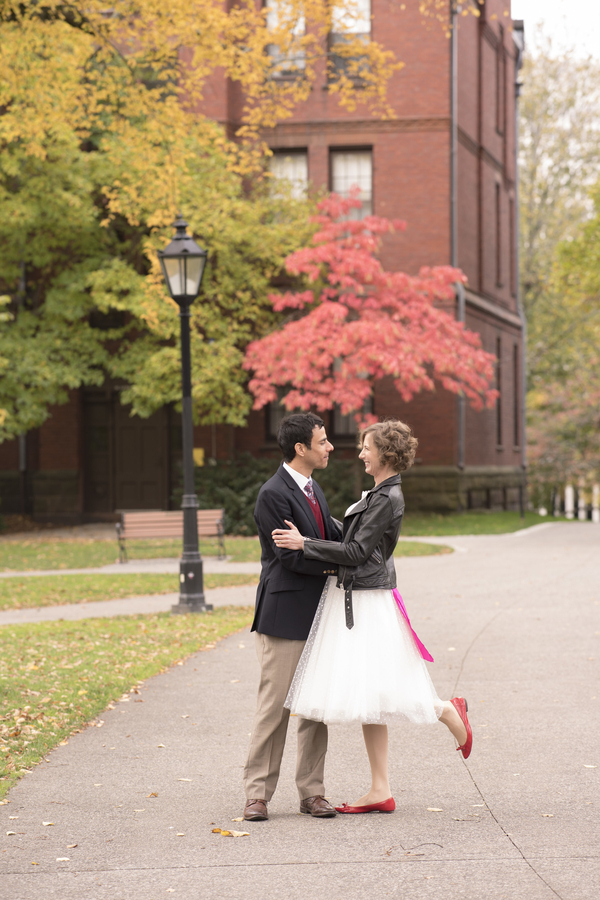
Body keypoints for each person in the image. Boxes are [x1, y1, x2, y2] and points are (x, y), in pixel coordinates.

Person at [272, 419, 472, 814]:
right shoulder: (380, 493)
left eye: (366, 447)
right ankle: (380, 789)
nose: (360, 453)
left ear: (384, 453)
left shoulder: (385, 498)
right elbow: (354, 538)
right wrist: (320, 526)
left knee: (381, 687)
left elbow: (355, 553)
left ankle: (447, 709)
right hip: (361, 595)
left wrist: (304, 542)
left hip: (366, 601)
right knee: (371, 693)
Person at [242, 413, 343, 822]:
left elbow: (320, 543)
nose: (329, 446)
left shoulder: (314, 488)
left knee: (315, 708)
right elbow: (288, 556)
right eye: (322, 441)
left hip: (320, 613)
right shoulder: (273, 494)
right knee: (275, 708)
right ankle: (256, 795)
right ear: (300, 448)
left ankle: (312, 793)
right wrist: (334, 562)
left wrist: (323, 548)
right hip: (284, 616)